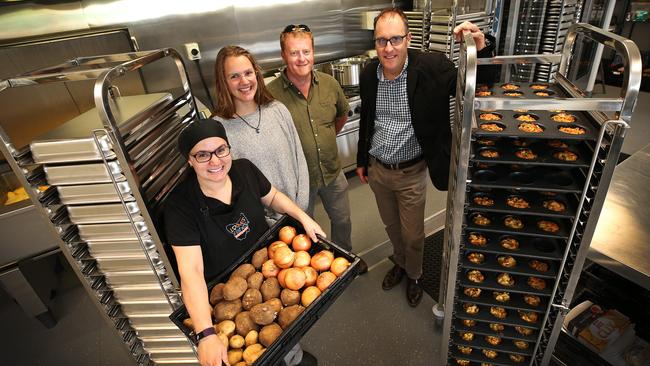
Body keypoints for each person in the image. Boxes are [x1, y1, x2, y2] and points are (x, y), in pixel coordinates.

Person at [356, 8, 495, 307]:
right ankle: (401, 263)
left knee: (414, 235)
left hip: (411, 172)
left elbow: (474, 86)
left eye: (395, 39)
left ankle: (415, 274)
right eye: (381, 41)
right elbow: (368, 118)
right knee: (392, 228)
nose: (388, 48)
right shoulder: (370, 73)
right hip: (378, 169)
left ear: (408, 39)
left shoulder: (432, 67)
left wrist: (480, 50)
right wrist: (360, 160)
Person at [164, 119, 321, 366]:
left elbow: (274, 197)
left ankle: (293, 357)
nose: (215, 161)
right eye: (202, 155)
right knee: (255, 350)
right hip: (227, 295)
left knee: (283, 323)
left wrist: (303, 217)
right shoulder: (179, 206)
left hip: (268, 272)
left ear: (228, 148)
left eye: (220, 150)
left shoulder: (244, 170)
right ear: (190, 160)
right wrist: (206, 334)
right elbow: (191, 271)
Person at [267, 24, 367, 273]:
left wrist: (322, 140)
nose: (301, 58)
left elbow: (341, 115)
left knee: (342, 220)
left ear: (313, 53)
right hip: (299, 180)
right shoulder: (270, 95)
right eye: (294, 53)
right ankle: (307, 270)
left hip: (332, 171)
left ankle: (345, 259)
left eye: (306, 52)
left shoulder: (330, 84)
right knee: (300, 228)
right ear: (283, 55)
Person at [211, 45, 309, 220]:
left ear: (256, 74)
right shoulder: (219, 128)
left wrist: (299, 209)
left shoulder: (278, 110)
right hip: (260, 225)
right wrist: (267, 222)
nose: (244, 81)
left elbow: (299, 159)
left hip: (299, 214)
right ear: (223, 82)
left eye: (248, 73)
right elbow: (229, 186)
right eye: (234, 76)